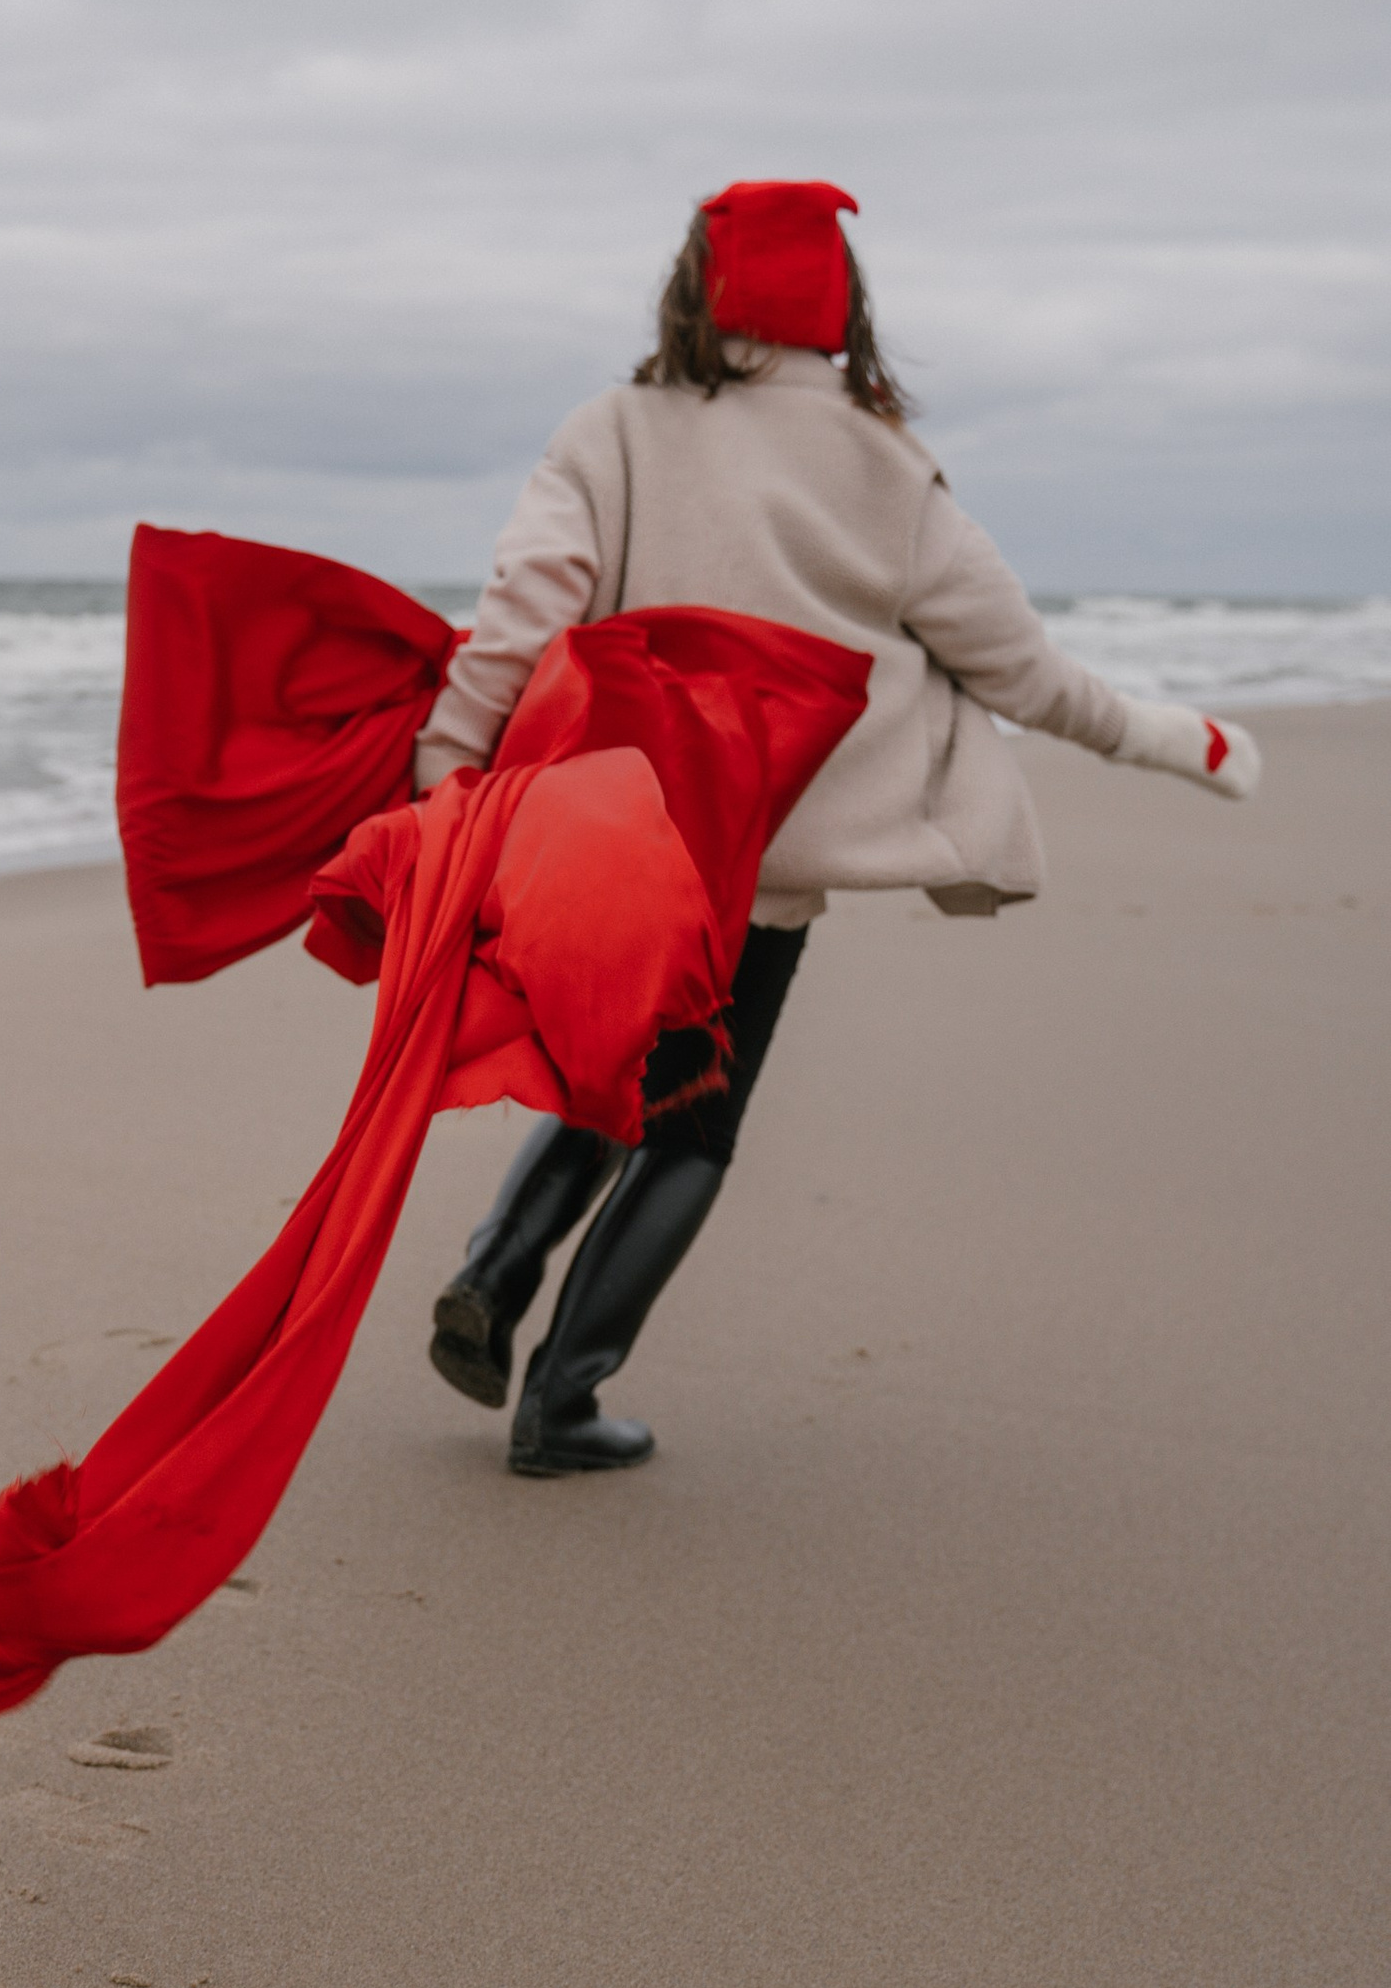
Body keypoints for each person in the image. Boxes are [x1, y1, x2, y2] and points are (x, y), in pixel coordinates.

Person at [416, 179, 1260, 1476]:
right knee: (693, 1122)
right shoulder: (887, 473)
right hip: (763, 874)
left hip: (612, 845)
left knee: (608, 1062)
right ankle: (559, 1403)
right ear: (842, 312)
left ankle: (493, 1270)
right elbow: (1022, 674)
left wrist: (444, 769)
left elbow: (526, 609)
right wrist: (1172, 739)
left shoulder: (613, 431)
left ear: (691, 293)